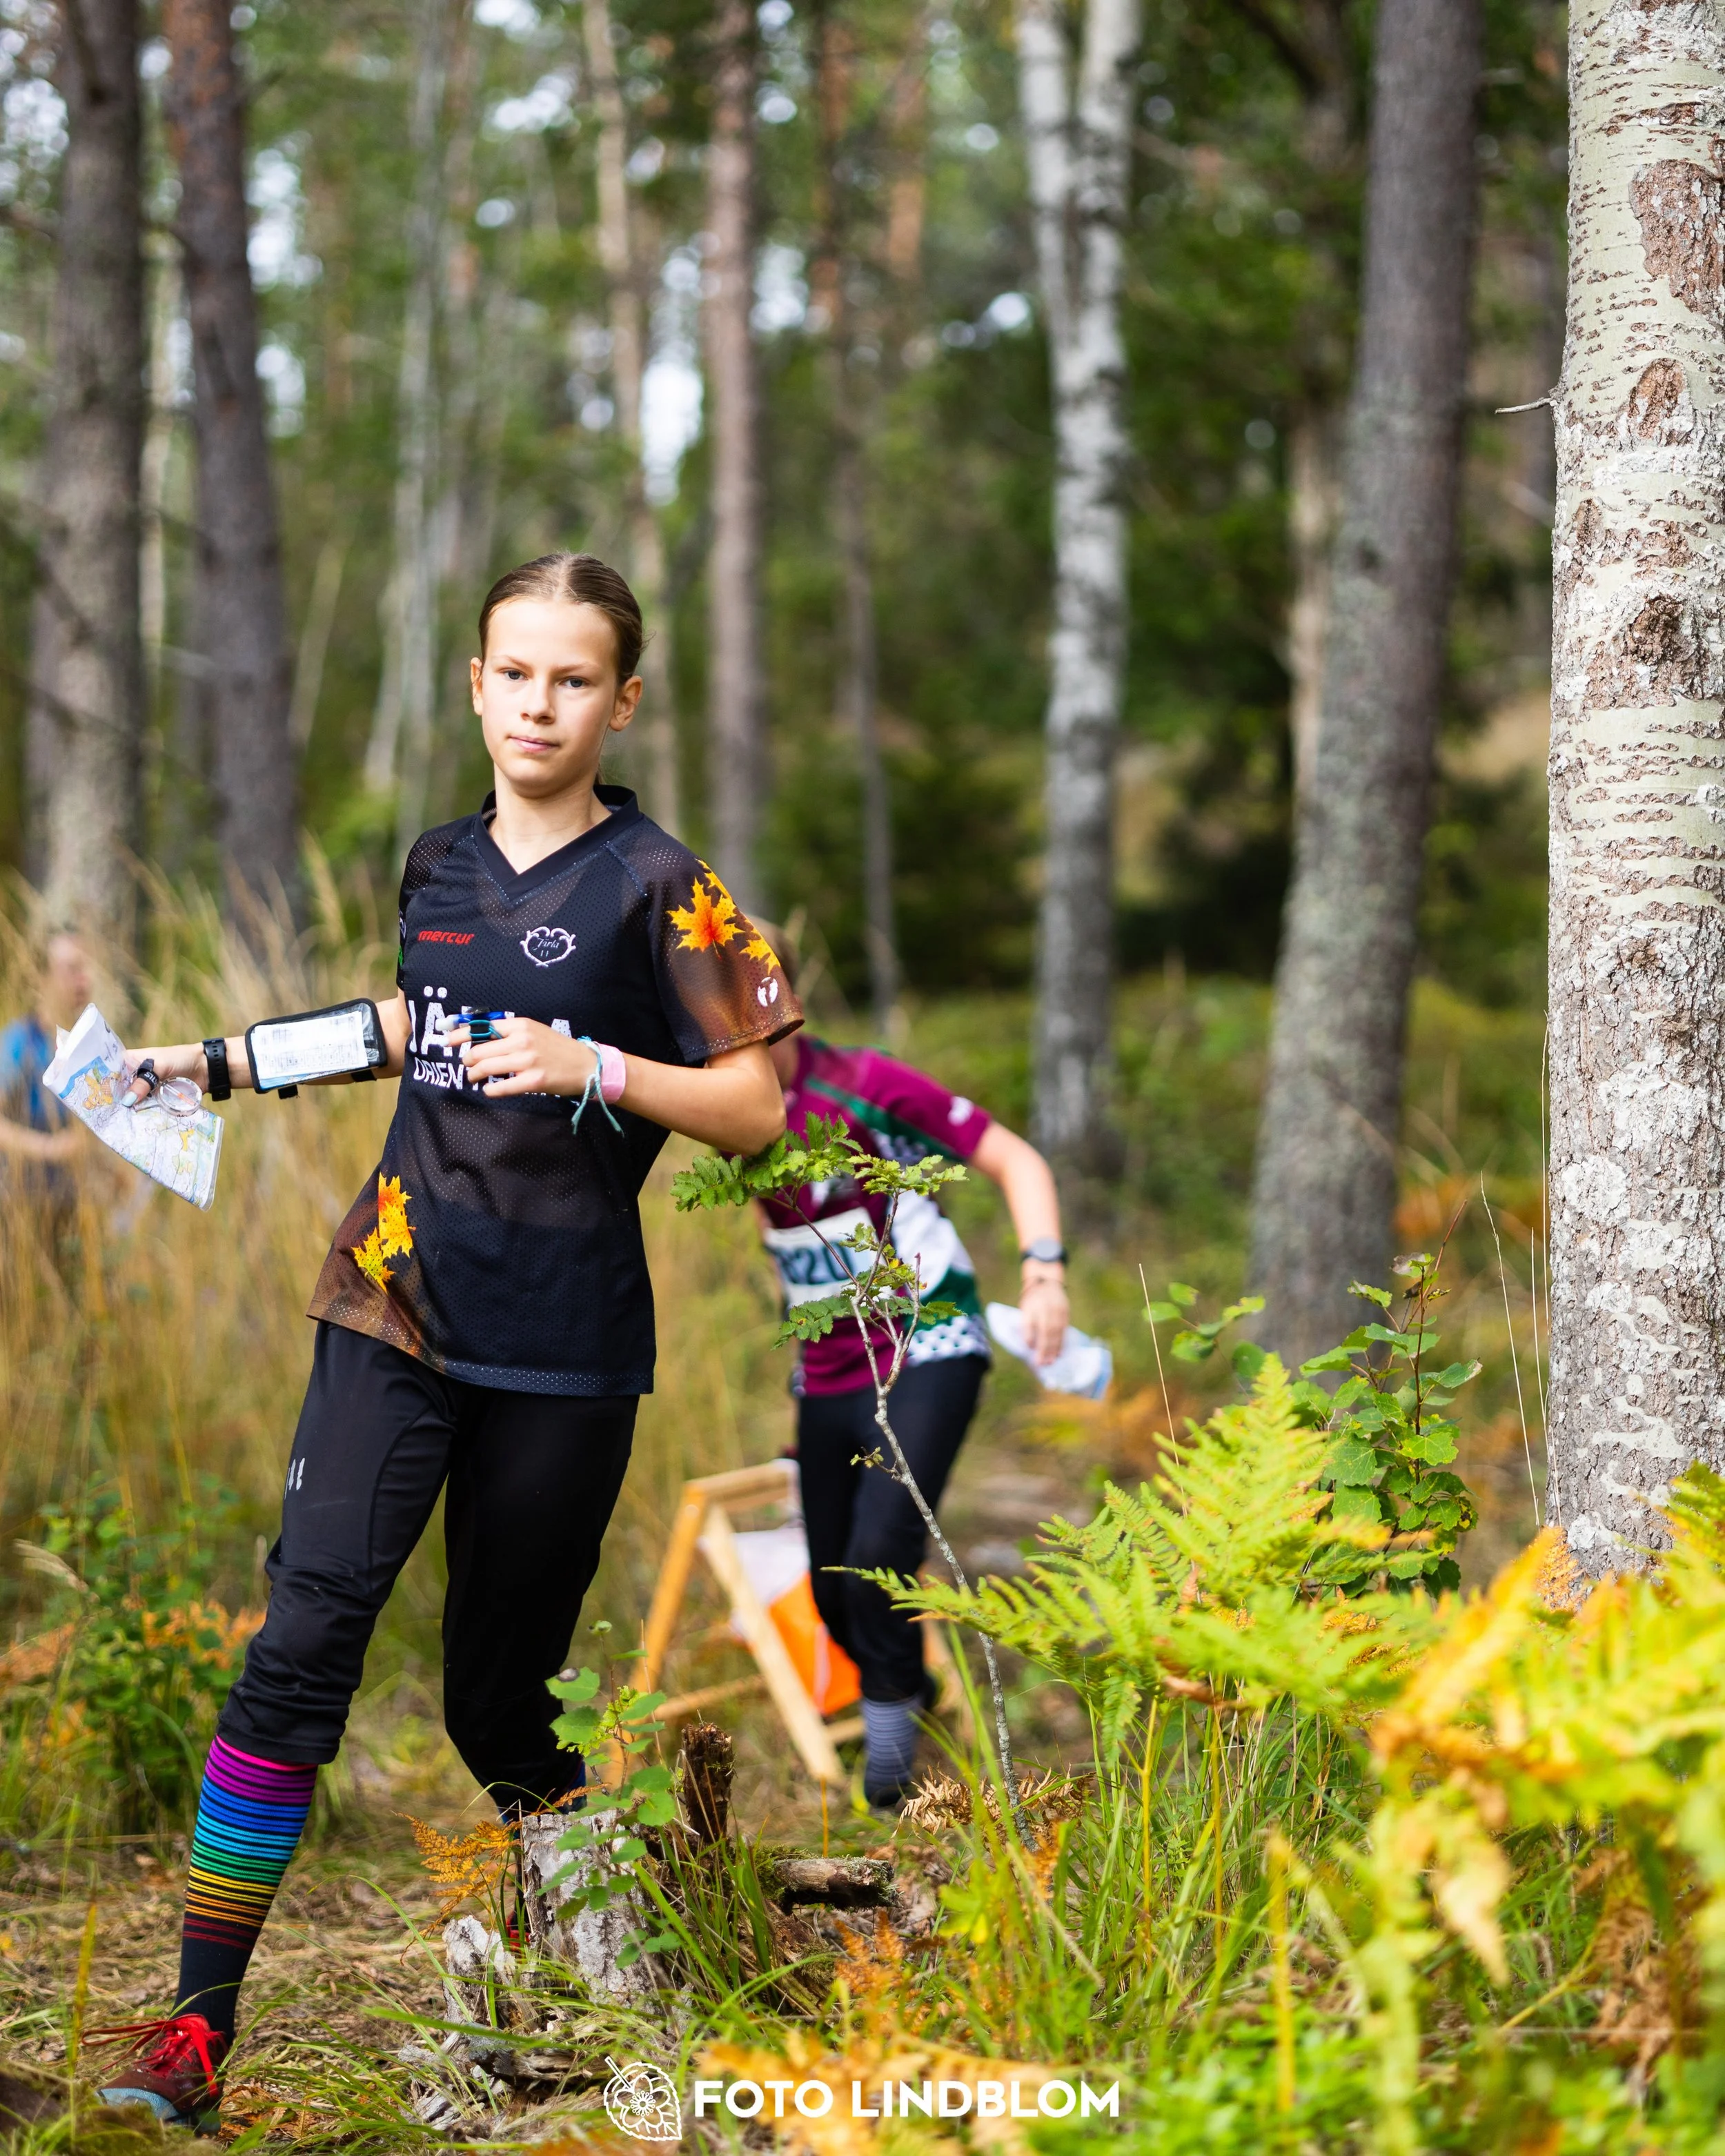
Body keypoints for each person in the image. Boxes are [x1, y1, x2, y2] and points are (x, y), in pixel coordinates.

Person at [95, 553, 800, 2129]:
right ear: (474, 683)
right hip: (394, 1298)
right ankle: (195, 2036)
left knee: (501, 1705)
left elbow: (762, 1102)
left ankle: (629, 1966)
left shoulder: (663, 884)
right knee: (300, 1646)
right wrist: (203, 1064)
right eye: (514, 671)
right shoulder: (438, 859)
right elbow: (416, 1024)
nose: (538, 703)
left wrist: (597, 1064)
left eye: (573, 678)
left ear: (621, 701)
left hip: (564, 1348)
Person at [756, 973, 1070, 1812]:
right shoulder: (724, 1108)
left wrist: (1044, 1272)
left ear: (781, 1001)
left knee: (877, 1562)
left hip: (928, 1339)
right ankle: (914, 1701)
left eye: (754, 1014)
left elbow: (1013, 1155)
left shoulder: (863, 1086)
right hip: (828, 1367)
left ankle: (895, 1783)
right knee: (829, 1588)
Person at [0, 929, 90, 1190]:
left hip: (79, 1204)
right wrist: (51, 1149)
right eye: (72, 970)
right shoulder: (20, 1043)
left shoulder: (88, 1046)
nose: (83, 981)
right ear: (42, 978)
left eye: (86, 969)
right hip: (26, 1198)